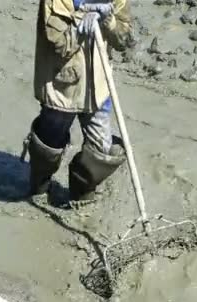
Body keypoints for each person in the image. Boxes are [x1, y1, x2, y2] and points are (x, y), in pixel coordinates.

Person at [28, 0, 133, 202]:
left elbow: (125, 39)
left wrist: (109, 22)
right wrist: (80, 21)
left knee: (101, 152)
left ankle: (81, 195)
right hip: (61, 87)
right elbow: (58, 44)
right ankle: (39, 187)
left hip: (98, 87)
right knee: (49, 145)